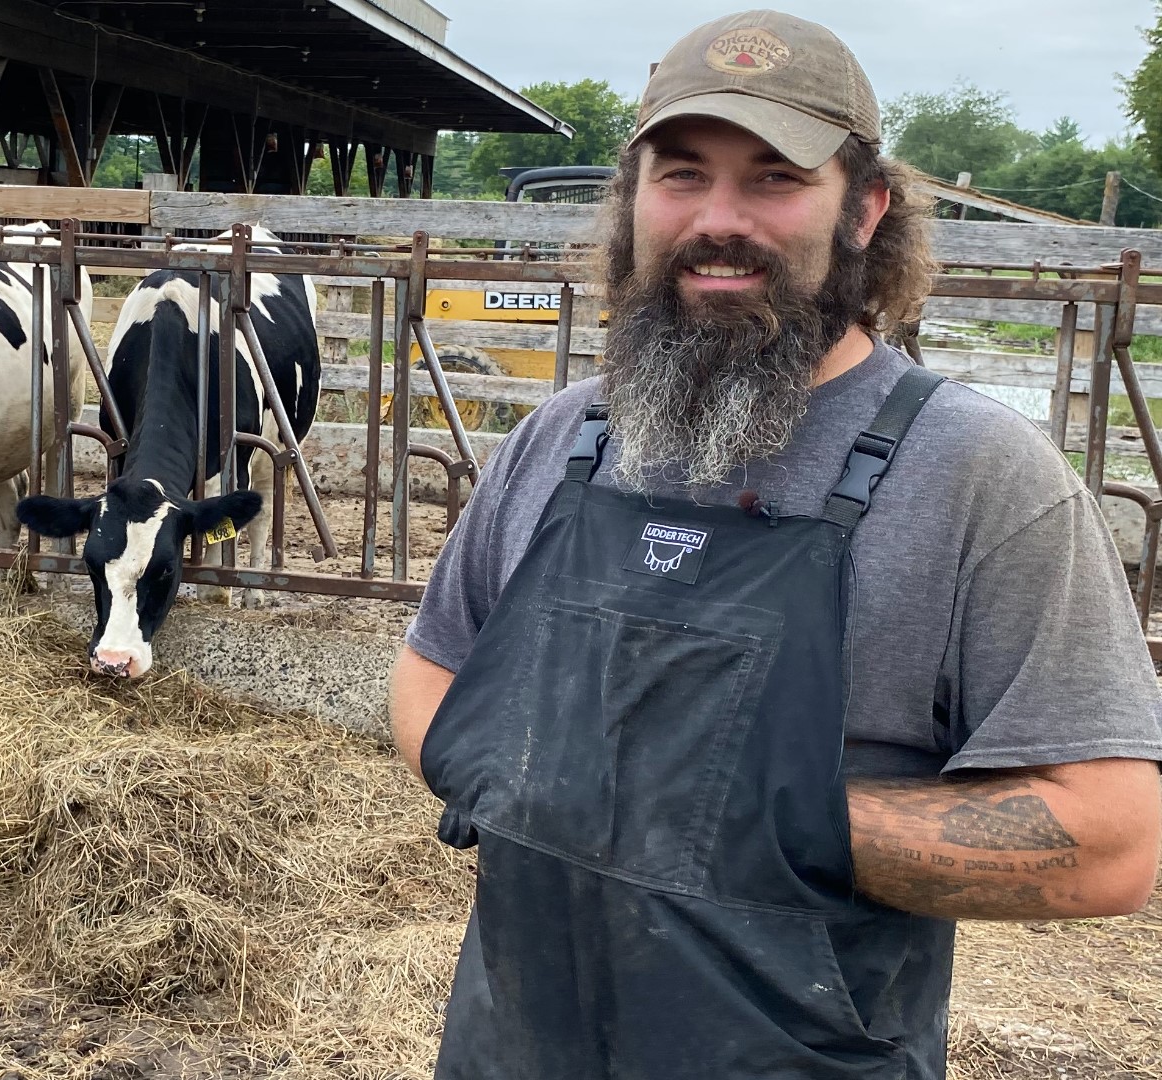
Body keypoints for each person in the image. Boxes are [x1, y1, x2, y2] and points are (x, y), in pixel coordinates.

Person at [389, 9, 1162, 1079]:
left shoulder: (981, 477)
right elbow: (432, 673)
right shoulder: (562, 439)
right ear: (632, 201)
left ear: (865, 209)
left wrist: (748, 809)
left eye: (774, 179)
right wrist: (521, 773)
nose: (719, 218)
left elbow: (1110, 847)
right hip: (513, 1047)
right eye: (681, 174)